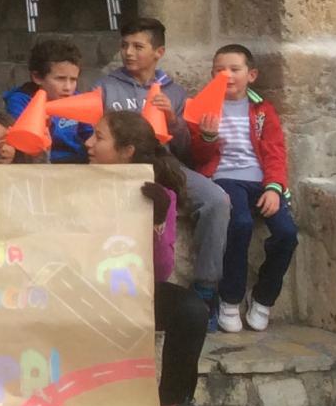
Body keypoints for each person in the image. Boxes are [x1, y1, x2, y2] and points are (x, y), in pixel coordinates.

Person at [87, 112, 227, 406]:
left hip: (126, 289)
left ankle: (173, 403)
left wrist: (157, 222)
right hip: (77, 287)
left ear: (127, 151)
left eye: (99, 137)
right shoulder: (75, 181)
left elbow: (161, 272)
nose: (88, 143)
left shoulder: (159, 194)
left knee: (191, 311)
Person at [89, 17, 231, 326]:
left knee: (217, 200)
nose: (129, 52)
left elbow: (185, 150)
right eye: (125, 45)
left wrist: (174, 121)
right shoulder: (105, 87)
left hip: (165, 163)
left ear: (159, 52)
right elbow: (92, 136)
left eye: (138, 46)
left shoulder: (175, 92)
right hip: (120, 168)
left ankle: (206, 288)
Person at [190, 44, 296, 335]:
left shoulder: (263, 110)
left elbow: (275, 153)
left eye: (234, 69)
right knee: (240, 224)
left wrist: (273, 188)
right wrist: (207, 137)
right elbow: (197, 156)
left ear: (251, 75)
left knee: (287, 233)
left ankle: (263, 298)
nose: (226, 75)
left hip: (260, 182)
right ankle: (230, 298)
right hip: (224, 178)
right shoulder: (204, 107)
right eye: (219, 70)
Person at [3, 38, 91, 165]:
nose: (68, 87)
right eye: (60, 79)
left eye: (73, 80)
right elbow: (25, 144)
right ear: (37, 77)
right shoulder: (20, 102)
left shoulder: (76, 99)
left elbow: (88, 134)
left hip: (77, 162)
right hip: (38, 163)